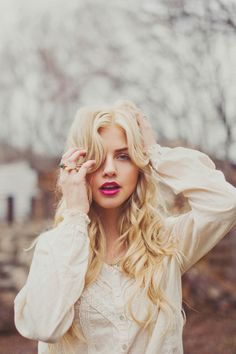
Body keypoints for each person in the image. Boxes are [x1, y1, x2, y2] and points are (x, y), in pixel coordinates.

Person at [14, 100, 236, 354]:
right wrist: (75, 215)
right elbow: (43, 327)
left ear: (139, 166)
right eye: (96, 157)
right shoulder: (55, 247)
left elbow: (225, 203)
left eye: (123, 156)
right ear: (77, 168)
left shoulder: (166, 242)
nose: (109, 170)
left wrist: (154, 152)